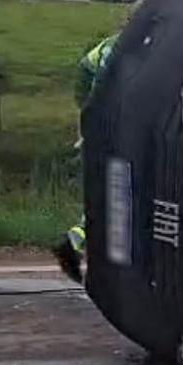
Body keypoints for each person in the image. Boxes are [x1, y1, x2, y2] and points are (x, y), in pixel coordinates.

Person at [52, 32, 119, 283]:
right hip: (116, 132)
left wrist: (85, 112)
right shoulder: (138, 46)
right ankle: (74, 244)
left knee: (101, 194)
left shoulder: (106, 46)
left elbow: (83, 73)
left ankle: (79, 244)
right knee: (114, 196)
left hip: (95, 129)